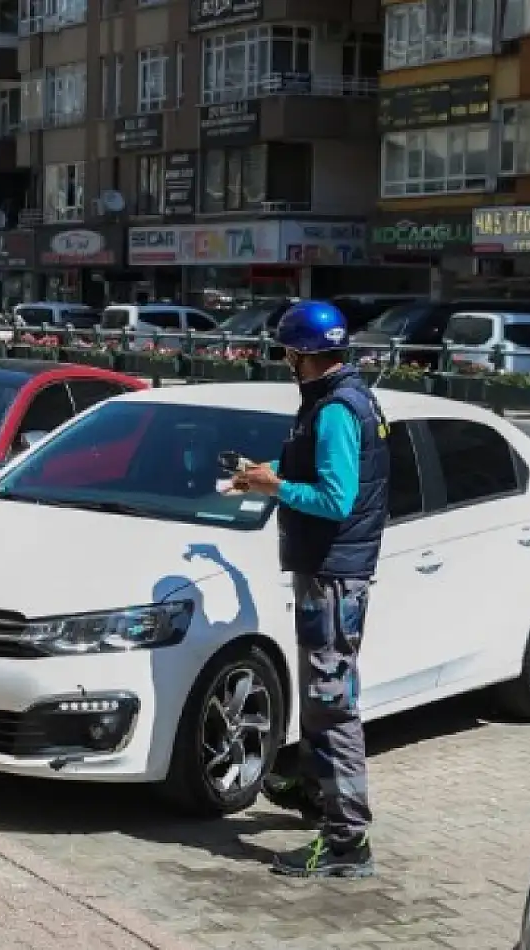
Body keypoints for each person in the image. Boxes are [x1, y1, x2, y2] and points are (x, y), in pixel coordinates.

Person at [229, 299, 390, 879]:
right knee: (325, 699)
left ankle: (347, 841)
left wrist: (276, 487)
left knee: (331, 703)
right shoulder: (339, 400)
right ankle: (317, 795)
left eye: (287, 353)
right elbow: (315, 470)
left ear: (301, 354)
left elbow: (335, 498)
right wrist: (264, 472)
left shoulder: (335, 410)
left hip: (333, 575)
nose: (286, 363)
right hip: (330, 572)